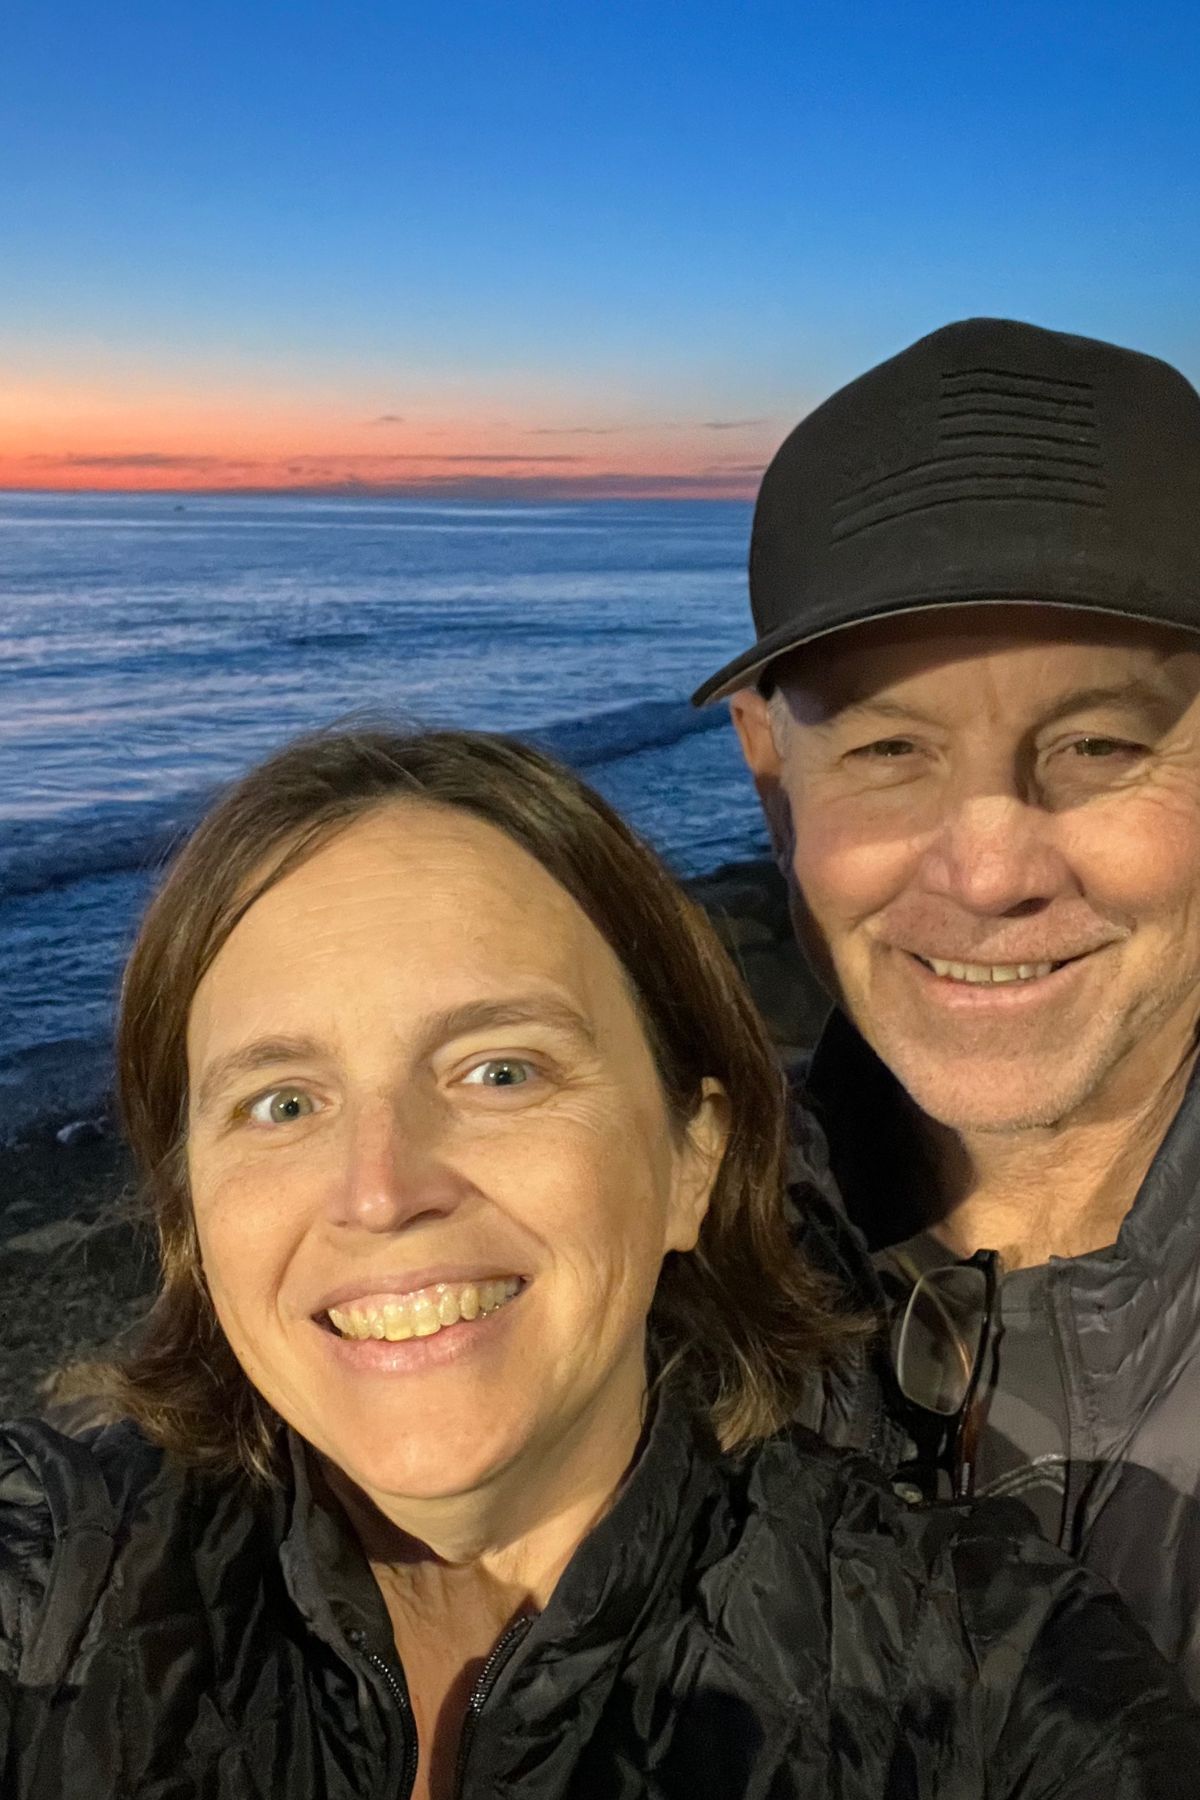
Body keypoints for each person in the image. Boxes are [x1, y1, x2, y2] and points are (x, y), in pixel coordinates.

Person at [2, 726, 1196, 1797]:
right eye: (279, 1103)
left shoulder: (982, 1686)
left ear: (693, 1158)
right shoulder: (61, 1584)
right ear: (194, 1211)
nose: (381, 1189)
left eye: (499, 1071)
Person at [696, 316, 1200, 1691]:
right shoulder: (674, 1289)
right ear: (768, 768)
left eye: (1101, 741)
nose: (988, 873)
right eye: (887, 748)